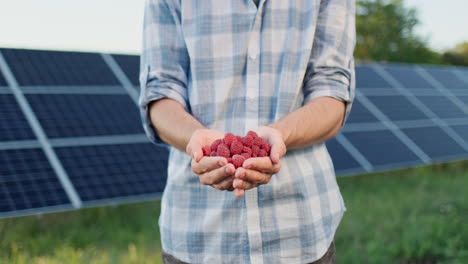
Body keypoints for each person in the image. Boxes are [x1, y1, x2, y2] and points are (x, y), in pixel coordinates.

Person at [139, 0, 355, 263]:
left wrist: (281, 134)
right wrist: (196, 140)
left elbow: (332, 92)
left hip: (299, 230)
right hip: (197, 235)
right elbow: (160, 92)